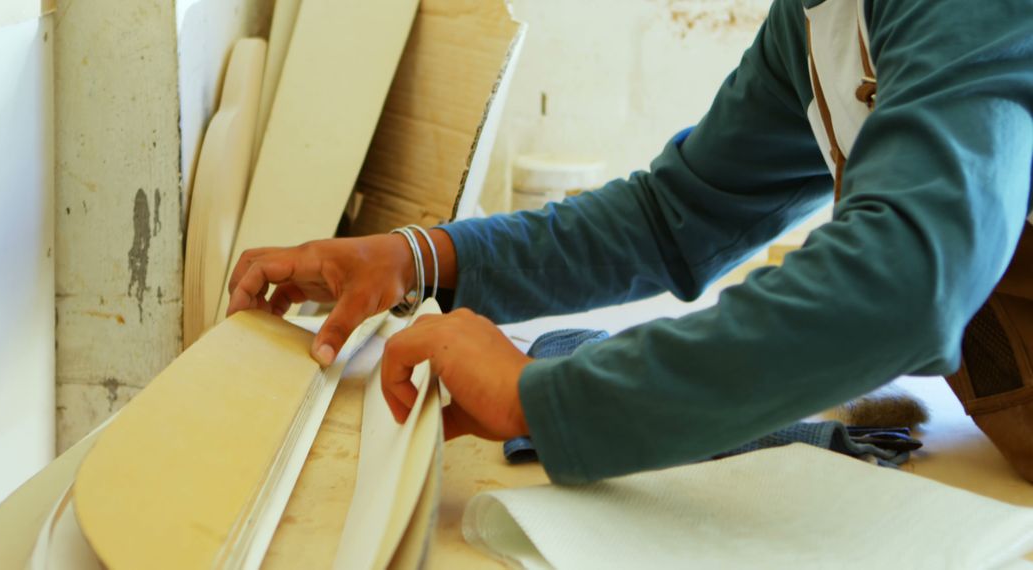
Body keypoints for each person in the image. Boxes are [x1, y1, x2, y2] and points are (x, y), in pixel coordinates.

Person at [226, 0, 1033, 485]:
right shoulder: (820, 20)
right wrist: (421, 258)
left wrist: (543, 399)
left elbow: (906, 283)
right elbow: (675, 214)